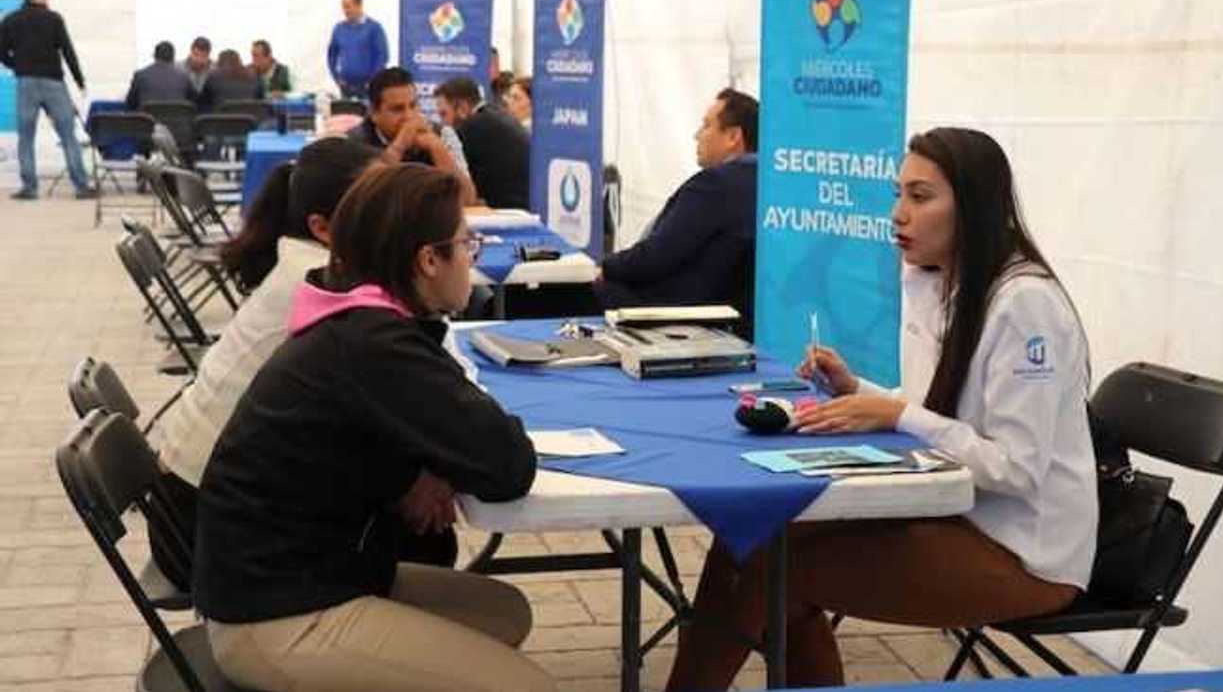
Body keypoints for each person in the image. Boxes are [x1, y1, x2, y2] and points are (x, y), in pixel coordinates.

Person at [664, 127, 1097, 690]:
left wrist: (892, 414)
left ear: (973, 207)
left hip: (1024, 553)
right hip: (950, 513)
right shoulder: (938, 281)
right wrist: (857, 389)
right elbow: (935, 409)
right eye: (898, 194)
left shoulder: (1025, 304)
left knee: (772, 567)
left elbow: (1015, 468)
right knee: (750, 533)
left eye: (920, 197)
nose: (898, 214)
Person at [195, 163, 556, 692]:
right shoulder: (375, 343)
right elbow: (508, 464)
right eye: (466, 245)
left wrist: (415, 474)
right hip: (276, 614)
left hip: (307, 573)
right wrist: (436, 463)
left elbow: (354, 436)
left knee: (503, 614)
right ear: (428, 260)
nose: (472, 260)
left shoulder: (356, 316)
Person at [594, 89, 759, 338]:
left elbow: (655, 257)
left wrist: (605, 267)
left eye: (706, 126)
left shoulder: (715, 185)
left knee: (569, 292)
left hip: (677, 312)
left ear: (733, 136)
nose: (697, 135)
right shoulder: (766, 185)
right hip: (726, 314)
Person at [0, 0, 95, 200]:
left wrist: (18, 65)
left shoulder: (10, 20)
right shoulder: (54, 19)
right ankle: (81, 186)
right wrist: (79, 80)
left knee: (26, 137)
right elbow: (68, 51)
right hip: (53, 83)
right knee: (68, 135)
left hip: (26, 82)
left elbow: (2, 52)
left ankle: (29, 187)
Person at [347, 67, 477, 205]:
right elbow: (367, 199)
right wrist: (400, 145)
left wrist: (436, 148)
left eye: (413, 106)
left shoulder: (442, 133)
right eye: (397, 109)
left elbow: (467, 199)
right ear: (374, 113)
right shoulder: (354, 143)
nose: (409, 116)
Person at [434, 76, 529, 209]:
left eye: (444, 114)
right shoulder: (496, 116)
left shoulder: (472, 127)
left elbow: (455, 183)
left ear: (462, 107)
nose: (444, 122)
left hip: (504, 210)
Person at [328, 0, 388, 100]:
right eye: (343, 7)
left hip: (368, 89)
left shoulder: (374, 28)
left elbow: (382, 56)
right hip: (346, 88)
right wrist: (337, 78)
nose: (345, 11)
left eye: (348, 6)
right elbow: (331, 55)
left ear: (359, 5)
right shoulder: (339, 29)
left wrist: (372, 81)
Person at [125, 41, 197, 110]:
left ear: (154, 56)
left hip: (148, 118)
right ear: (173, 57)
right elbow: (194, 103)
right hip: (177, 118)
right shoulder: (184, 77)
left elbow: (130, 103)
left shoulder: (140, 76)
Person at [197, 49, 261, 111]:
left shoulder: (213, 78)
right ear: (239, 62)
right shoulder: (253, 78)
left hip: (219, 117)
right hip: (248, 117)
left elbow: (201, 105)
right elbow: (260, 104)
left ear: (219, 62)